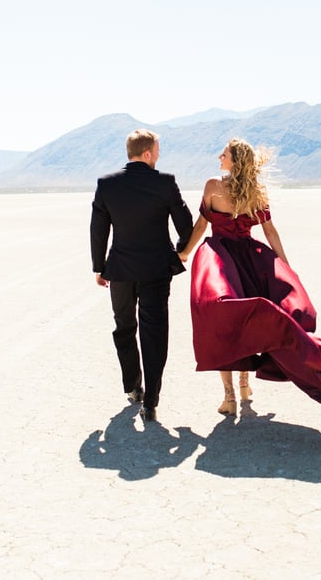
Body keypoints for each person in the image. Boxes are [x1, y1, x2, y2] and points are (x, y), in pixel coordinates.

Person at [177, 138, 321, 442]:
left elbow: (202, 225)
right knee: (251, 322)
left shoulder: (213, 185)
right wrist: (283, 267)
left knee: (225, 321)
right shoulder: (256, 191)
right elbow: (270, 232)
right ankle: (244, 386)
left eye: (225, 153)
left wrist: (186, 253)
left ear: (235, 160)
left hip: (220, 260)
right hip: (251, 260)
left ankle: (230, 397)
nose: (219, 156)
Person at [91, 129, 194, 422]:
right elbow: (185, 227)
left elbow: (98, 229)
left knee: (124, 326)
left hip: (120, 270)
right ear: (147, 153)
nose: (159, 155)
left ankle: (132, 386)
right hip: (156, 269)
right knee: (154, 332)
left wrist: (99, 266)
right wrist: (177, 251)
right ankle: (151, 400)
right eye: (157, 150)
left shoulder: (106, 184)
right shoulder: (164, 183)